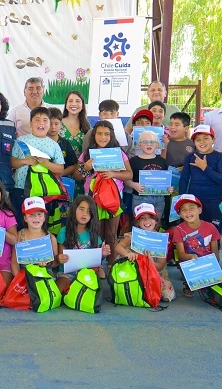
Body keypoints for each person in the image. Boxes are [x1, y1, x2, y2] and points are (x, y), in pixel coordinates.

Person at [77, 120, 133, 254]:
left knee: (111, 234)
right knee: (96, 232)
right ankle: (97, 266)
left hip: (113, 196)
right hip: (93, 197)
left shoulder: (119, 153)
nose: (103, 137)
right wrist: (86, 167)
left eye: (106, 134)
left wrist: (113, 173)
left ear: (112, 135)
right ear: (94, 135)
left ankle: (112, 264)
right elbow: (77, 176)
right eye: (99, 134)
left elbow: (129, 174)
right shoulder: (87, 154)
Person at [10, 106, 65, 216]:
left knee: (41, 222)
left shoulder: (54, 145)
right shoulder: (21, 140)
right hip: (20, 188)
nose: (41, 123)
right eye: (37, 120)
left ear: (49, 124)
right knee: (20, 220)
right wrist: (25, 161)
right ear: (30, 123)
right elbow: (12, 162)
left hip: (44, 191)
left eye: (45, 120)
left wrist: (46, 163)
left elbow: (60, 169)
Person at [114, 202, 174, 300]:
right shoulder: (132, 235)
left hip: (154, 271)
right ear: (137, 222)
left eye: (150, 217)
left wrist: (150, 262)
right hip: (134, 270)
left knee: (168, 294)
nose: (147, 220)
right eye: (142, 218)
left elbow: (161, 265)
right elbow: (118, 247)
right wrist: (128, 253)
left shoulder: (161, 239)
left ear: (156, 221)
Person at [169, 194, 221, 297]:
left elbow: (215, 252)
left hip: (208, 264)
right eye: (183, 210)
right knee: (192, 283)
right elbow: (181, 255)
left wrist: (213, 266)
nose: (188, 211)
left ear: (200, 210)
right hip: (190, 264)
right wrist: (191, 257)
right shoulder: (178, 230)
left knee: (215, 290)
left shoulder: (211, 227)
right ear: (180, 214)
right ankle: (188, 282)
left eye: (191, 208)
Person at [178, 124, 222, 229]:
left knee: (214, 230)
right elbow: (184, 180)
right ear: (194, 143)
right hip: (194, 202)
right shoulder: (190, 157)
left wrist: (205, 167)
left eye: (206, 138)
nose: (202, 142)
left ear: (213, 139)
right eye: (198, 140)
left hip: (214, 202)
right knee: (194, 230)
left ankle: (215, 246)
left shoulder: (220, 156)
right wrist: (182, 200)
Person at [54, 194, 110, 289]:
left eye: (89, 211)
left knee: (85, 296)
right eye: (81, 209)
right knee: (57, 293)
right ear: (74, 209)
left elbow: (95, 259)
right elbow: (59, 257)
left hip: (87, 274)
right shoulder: (64, 231)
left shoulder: (93, 233)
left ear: (92, 215)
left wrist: (102, 254)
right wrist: (60, 258)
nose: (85, 214)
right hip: (66, 273)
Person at [125, 130, 173, 221]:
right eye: (145, 142)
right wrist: (133, 185)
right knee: (140, 224)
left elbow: (166, 180)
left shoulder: (162, 161)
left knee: (156, 224)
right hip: (140, 198)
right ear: (139, 145)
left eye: (152, 142)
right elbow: (126, 178)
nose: (149, 144)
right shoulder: (133, 161)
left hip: (159, 199)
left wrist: (168, 188)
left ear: (157, 145)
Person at [11, 196, 58, 276]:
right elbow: (14, 262)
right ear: (25, 218)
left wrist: (47, 264)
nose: (36, 218)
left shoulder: (50, 238)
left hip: (44, 278)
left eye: (39, 214)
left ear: (44, 217)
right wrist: (19, 280)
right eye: (31, 215)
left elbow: (56, 263)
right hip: (24, 277)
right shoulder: (20, 235)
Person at [47, 108, 79, 181]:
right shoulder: (40, 143)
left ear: (61, 124)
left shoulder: (65, 144)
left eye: (56, 123)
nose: (53, 127)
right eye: (50, 123)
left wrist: (62, 173)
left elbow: (74, 165)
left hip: (61, 181)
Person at [60, 91, 91, 157]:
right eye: (70, 101)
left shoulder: (87, 127)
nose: (74, 104)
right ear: (66, 105)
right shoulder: (57, 124)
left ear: (82, 106)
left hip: (80, 165)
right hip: (60, 165)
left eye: (77, 101)